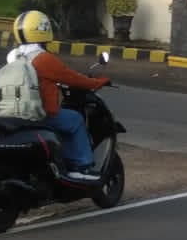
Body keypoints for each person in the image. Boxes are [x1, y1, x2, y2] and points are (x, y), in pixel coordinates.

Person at [7, 10, 110, 178]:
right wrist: (98, 82)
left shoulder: (13, 57)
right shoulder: (43, 59)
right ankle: (81, 166)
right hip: (39, 114)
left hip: (13, 113)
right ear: (43, 30)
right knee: (75, 120)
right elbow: (72, 78)